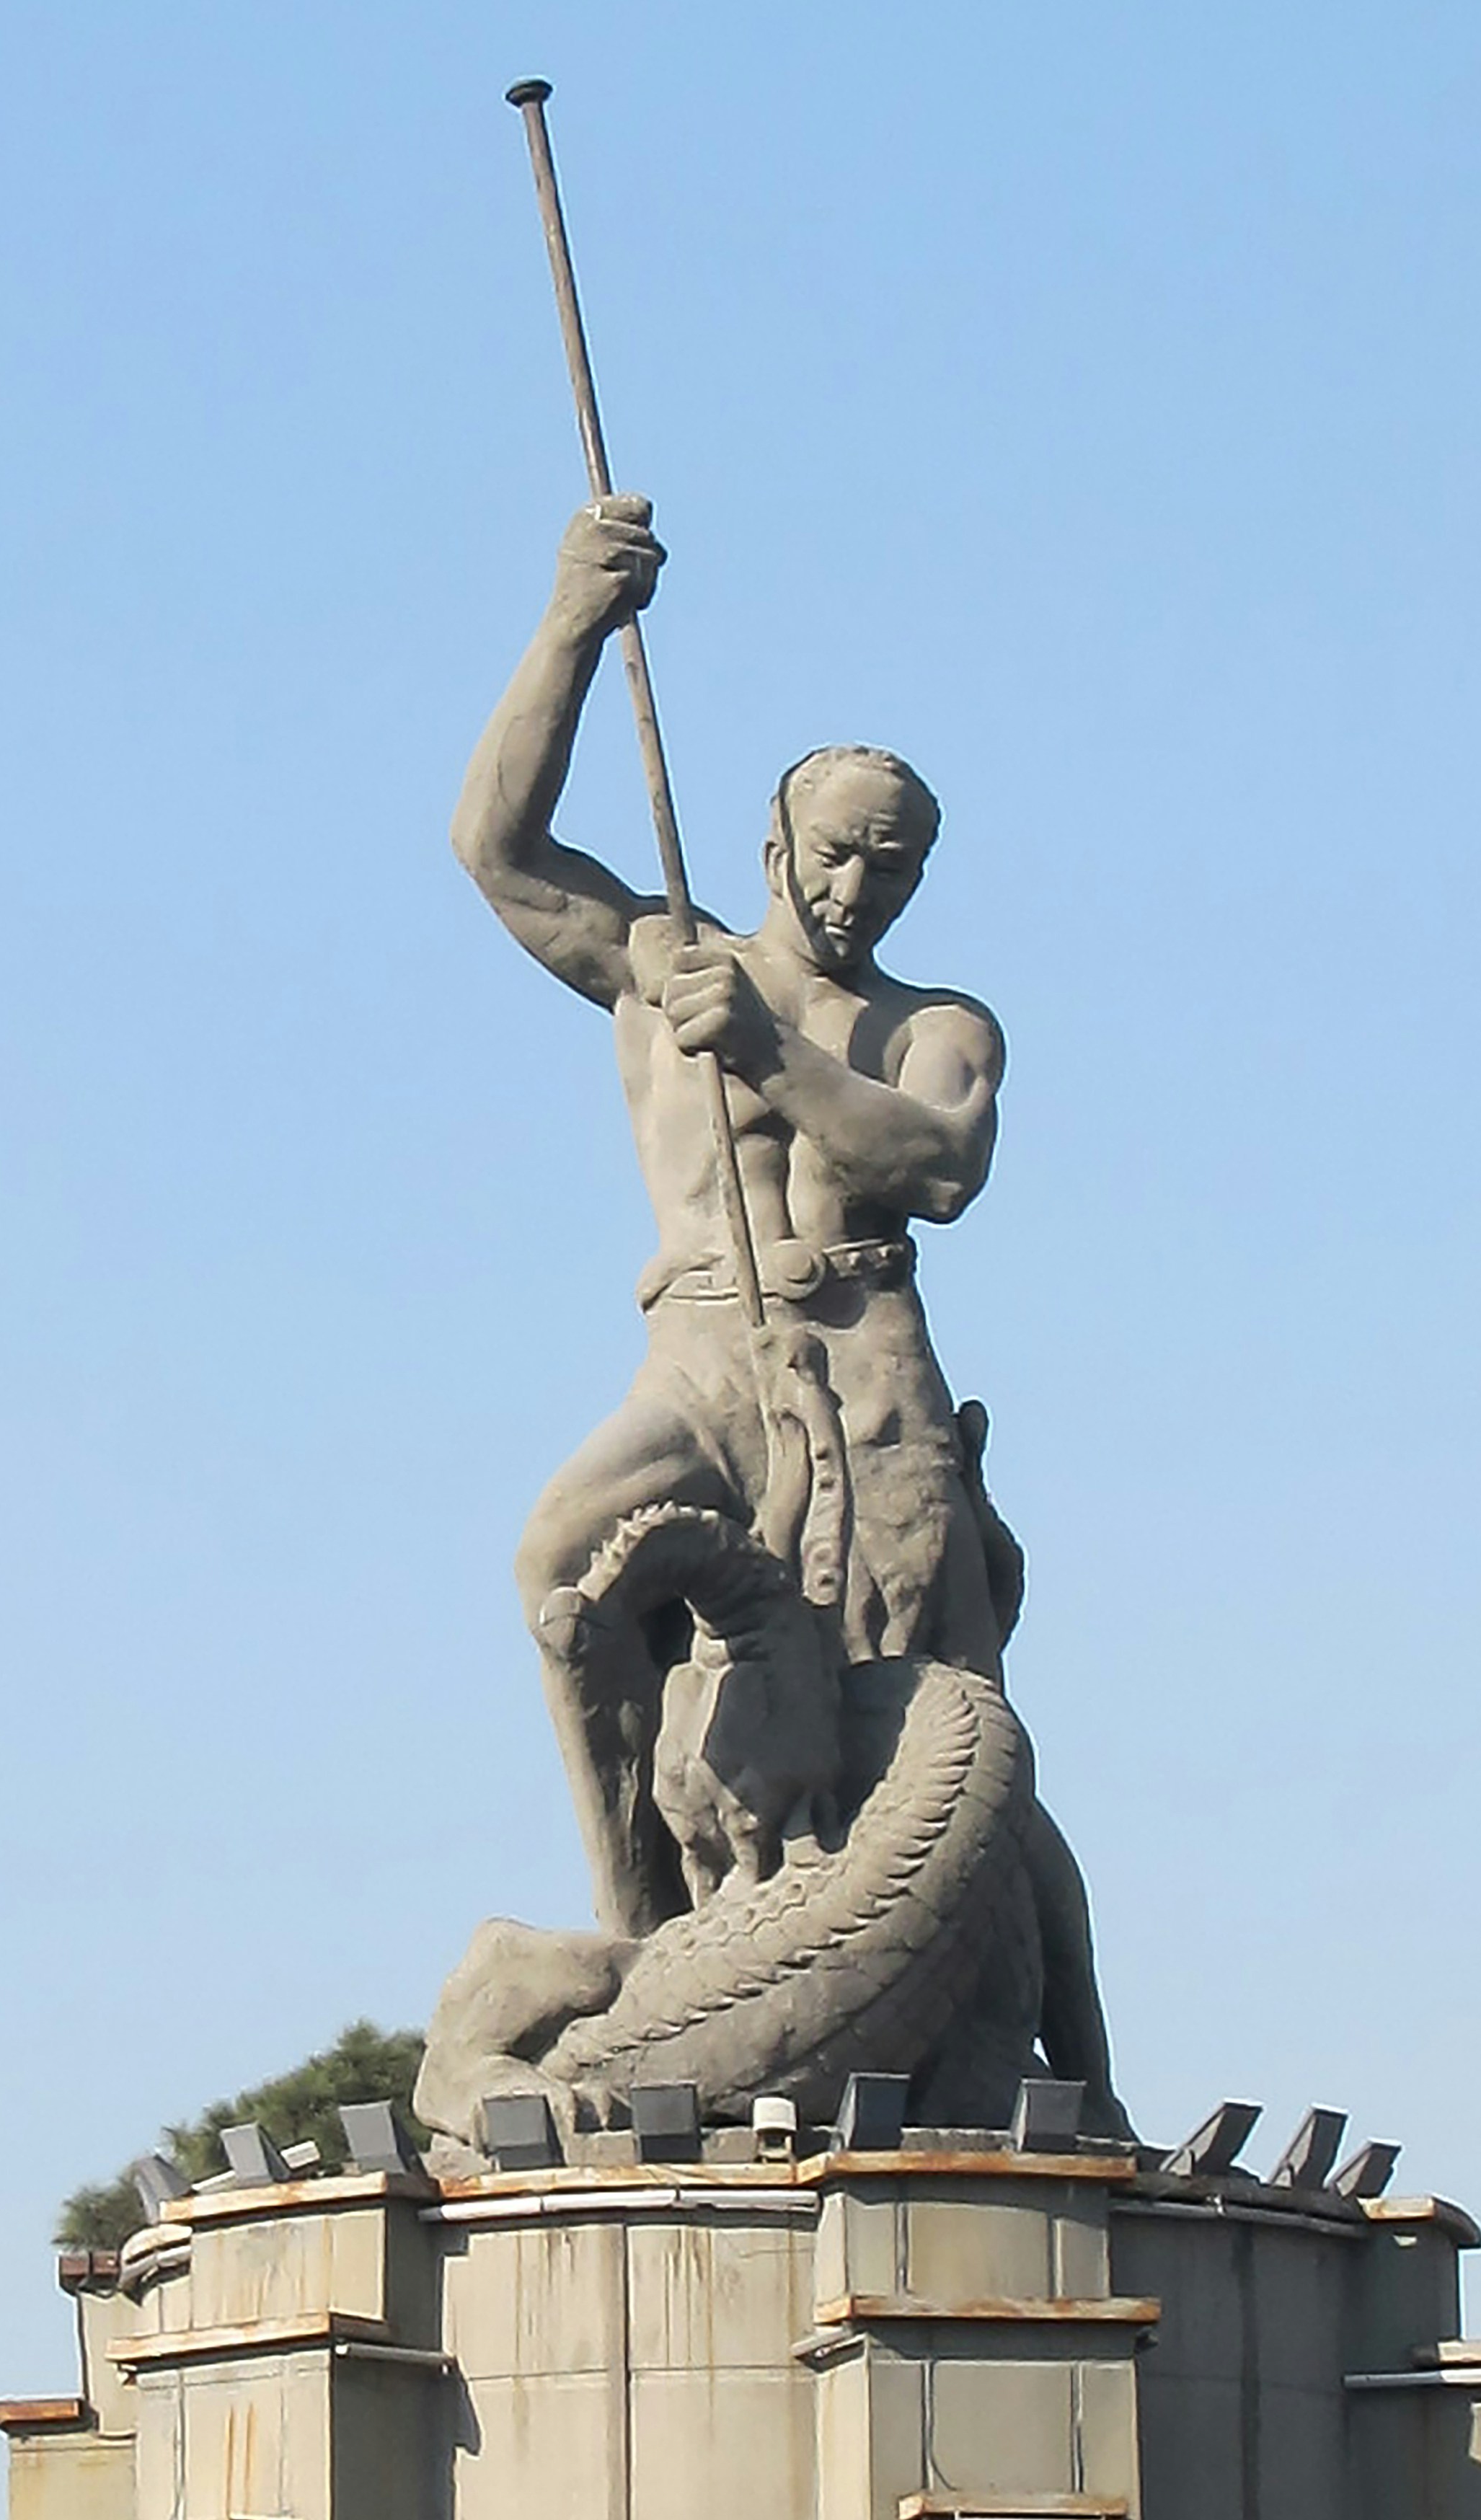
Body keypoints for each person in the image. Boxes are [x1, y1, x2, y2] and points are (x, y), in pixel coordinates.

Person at [452, 492, 1119, 2122]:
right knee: (559, 1564)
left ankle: (1070, 2061)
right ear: (770, 849)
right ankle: (652, 1939)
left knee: (942, 1730)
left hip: (869, 1368)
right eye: (834, 851)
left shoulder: (933, 1021)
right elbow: (496, 849)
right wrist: (568, 622)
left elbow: (937, 1166)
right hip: (699, 1349)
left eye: (893, 863)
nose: (858, 884)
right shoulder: (659, 951)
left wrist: (766, 1052)